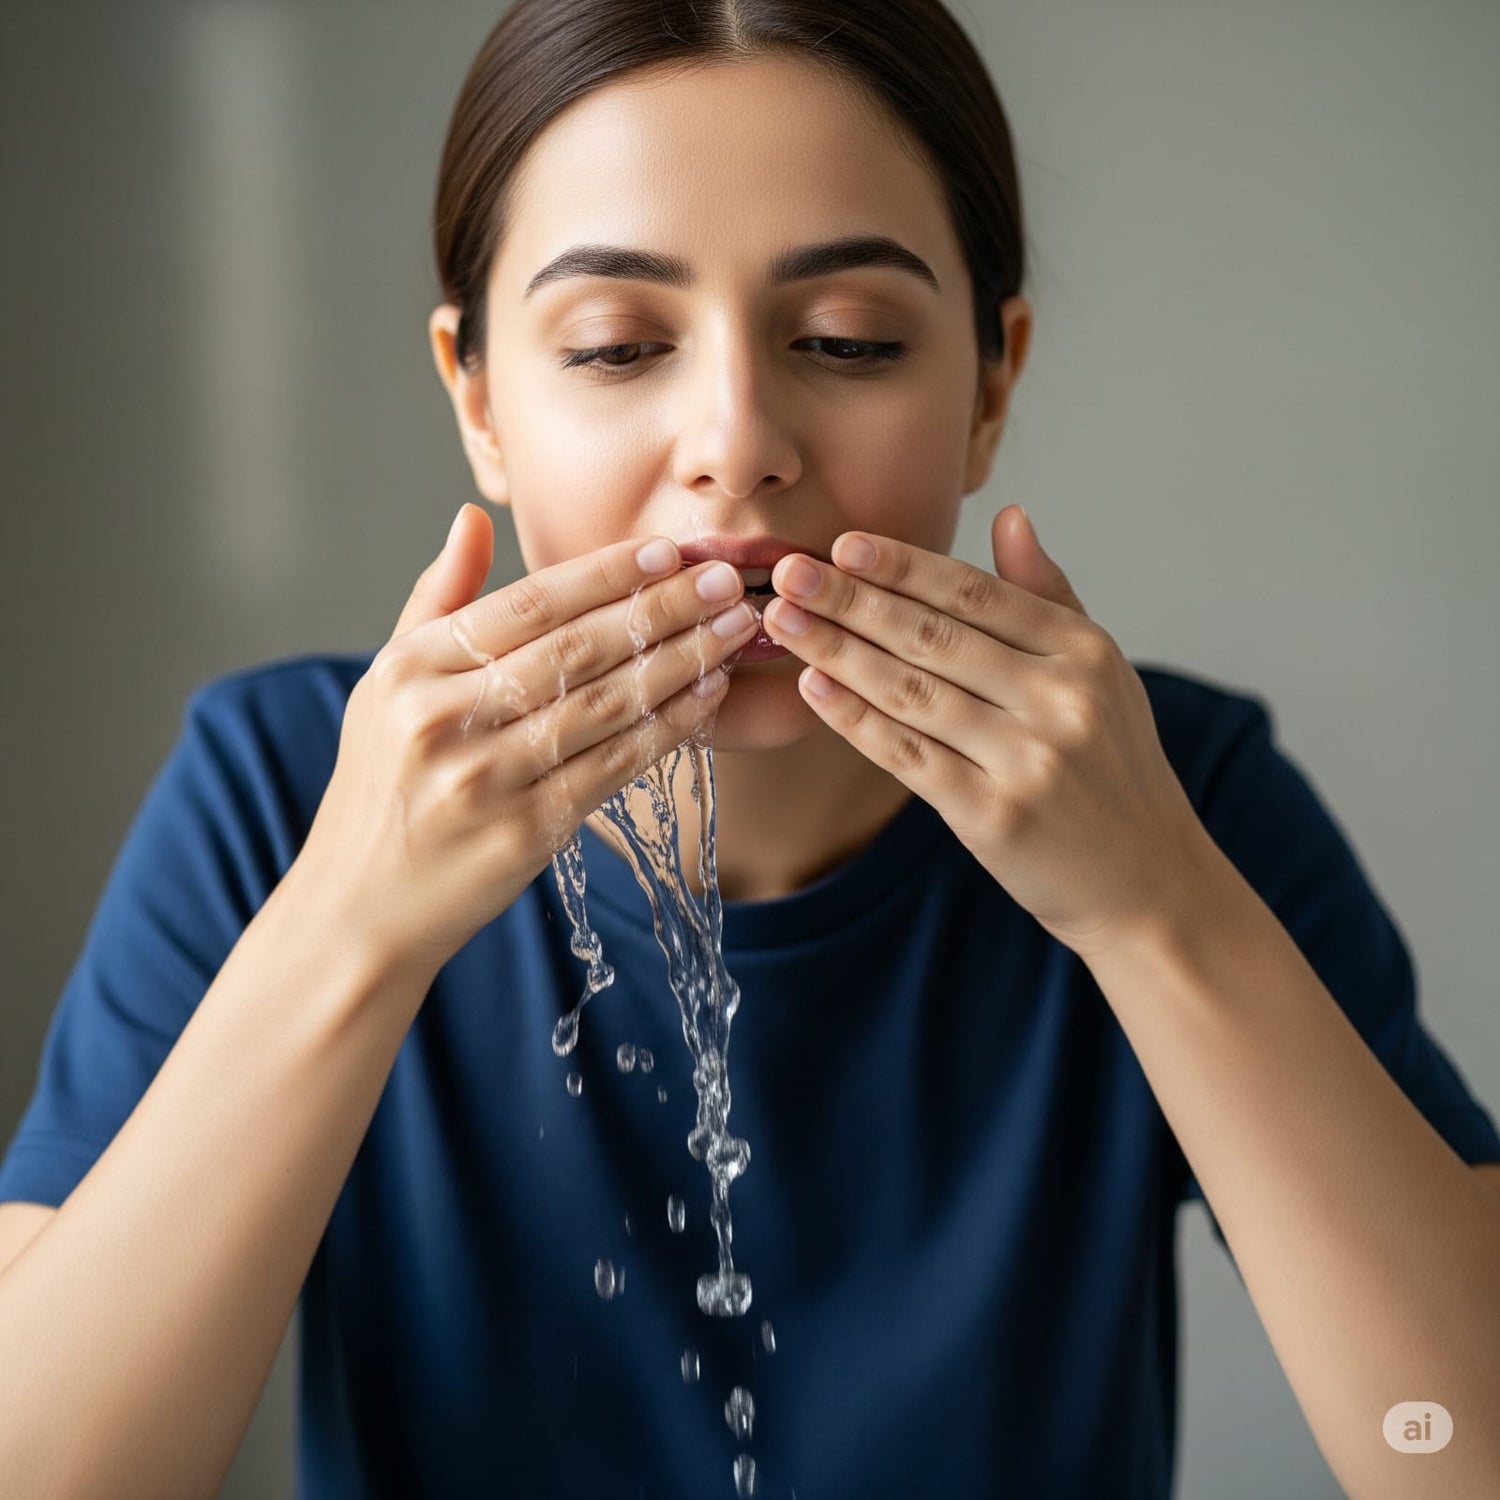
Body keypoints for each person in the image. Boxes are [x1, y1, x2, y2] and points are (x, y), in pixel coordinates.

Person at [2, 2, 1498, 1496]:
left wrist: (1158, 910)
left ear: (988, 385)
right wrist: (355, 922)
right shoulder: (279, 789)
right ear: (478, 399)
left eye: (847, 339)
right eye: (615, 345)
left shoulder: (1178, 796)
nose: (738, 439)